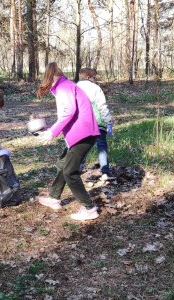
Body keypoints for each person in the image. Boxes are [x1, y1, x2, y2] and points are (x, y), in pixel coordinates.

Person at [36, 62, 101, 221]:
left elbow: (69, 111)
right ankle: (53, 198)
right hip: (82, 133)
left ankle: (89, 209)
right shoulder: (66, 86)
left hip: (83, 135)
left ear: (50, 77)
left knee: (70, 172)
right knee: (62, 163)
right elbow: (69, 115)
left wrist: (52, 132)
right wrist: (49, 128)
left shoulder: (64, 87)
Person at [77, 68, 116, 181]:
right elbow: (102, 107)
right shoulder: (95, 88)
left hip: (80, 125)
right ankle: (105, 173)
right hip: (96, 123)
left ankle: (77, 170)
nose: (95, 80)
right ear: (89, 78)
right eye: (94, 78)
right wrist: (108, 122)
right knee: (102, 146)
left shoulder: (74, 88)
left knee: (81, 147)